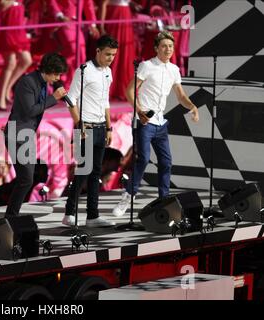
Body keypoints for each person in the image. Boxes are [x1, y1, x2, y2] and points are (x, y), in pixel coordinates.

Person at [112, 31, 199, 217]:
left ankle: (164, 201)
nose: (168, 49)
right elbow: (129, 91)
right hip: (144, 121)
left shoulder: (174, 70)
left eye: (170, 46)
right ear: (156, 48)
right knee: (143, 158)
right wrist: (140, 111)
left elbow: (181, 96)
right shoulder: (146, 66)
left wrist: (192, 107)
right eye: (164, 46)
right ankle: (128, 195)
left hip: (161, 123)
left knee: (166, 162)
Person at [62, 35, 118, 228]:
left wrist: (109, 127)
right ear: (98, 51)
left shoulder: (108, 72)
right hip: (84, 128)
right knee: (82, 171)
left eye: (113, 55)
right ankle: (69, 213)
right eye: (108, 54)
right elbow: (70, 99)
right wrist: (79, 124)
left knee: (95, 173)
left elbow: (106, 102)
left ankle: (92, 216)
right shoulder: (84, 70)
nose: (111, 58)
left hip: (102, 127)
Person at [4, 52, 67, 216]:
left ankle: (12, 213)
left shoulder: (43, 83)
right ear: (48, 70)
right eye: (57, 74)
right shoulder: (27, 82)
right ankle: (11, 215)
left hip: (27, 134)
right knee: (26, 179)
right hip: (16, 134)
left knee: (26, 179)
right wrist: (53, 98)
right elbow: (30, 110)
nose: (58, 78)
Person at [0, 0, 32, 111]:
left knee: (26, 60)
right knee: (10, 63)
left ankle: (6, 89)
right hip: (7, 30)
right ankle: (1, 97)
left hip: (18, 30)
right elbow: (1, 6)